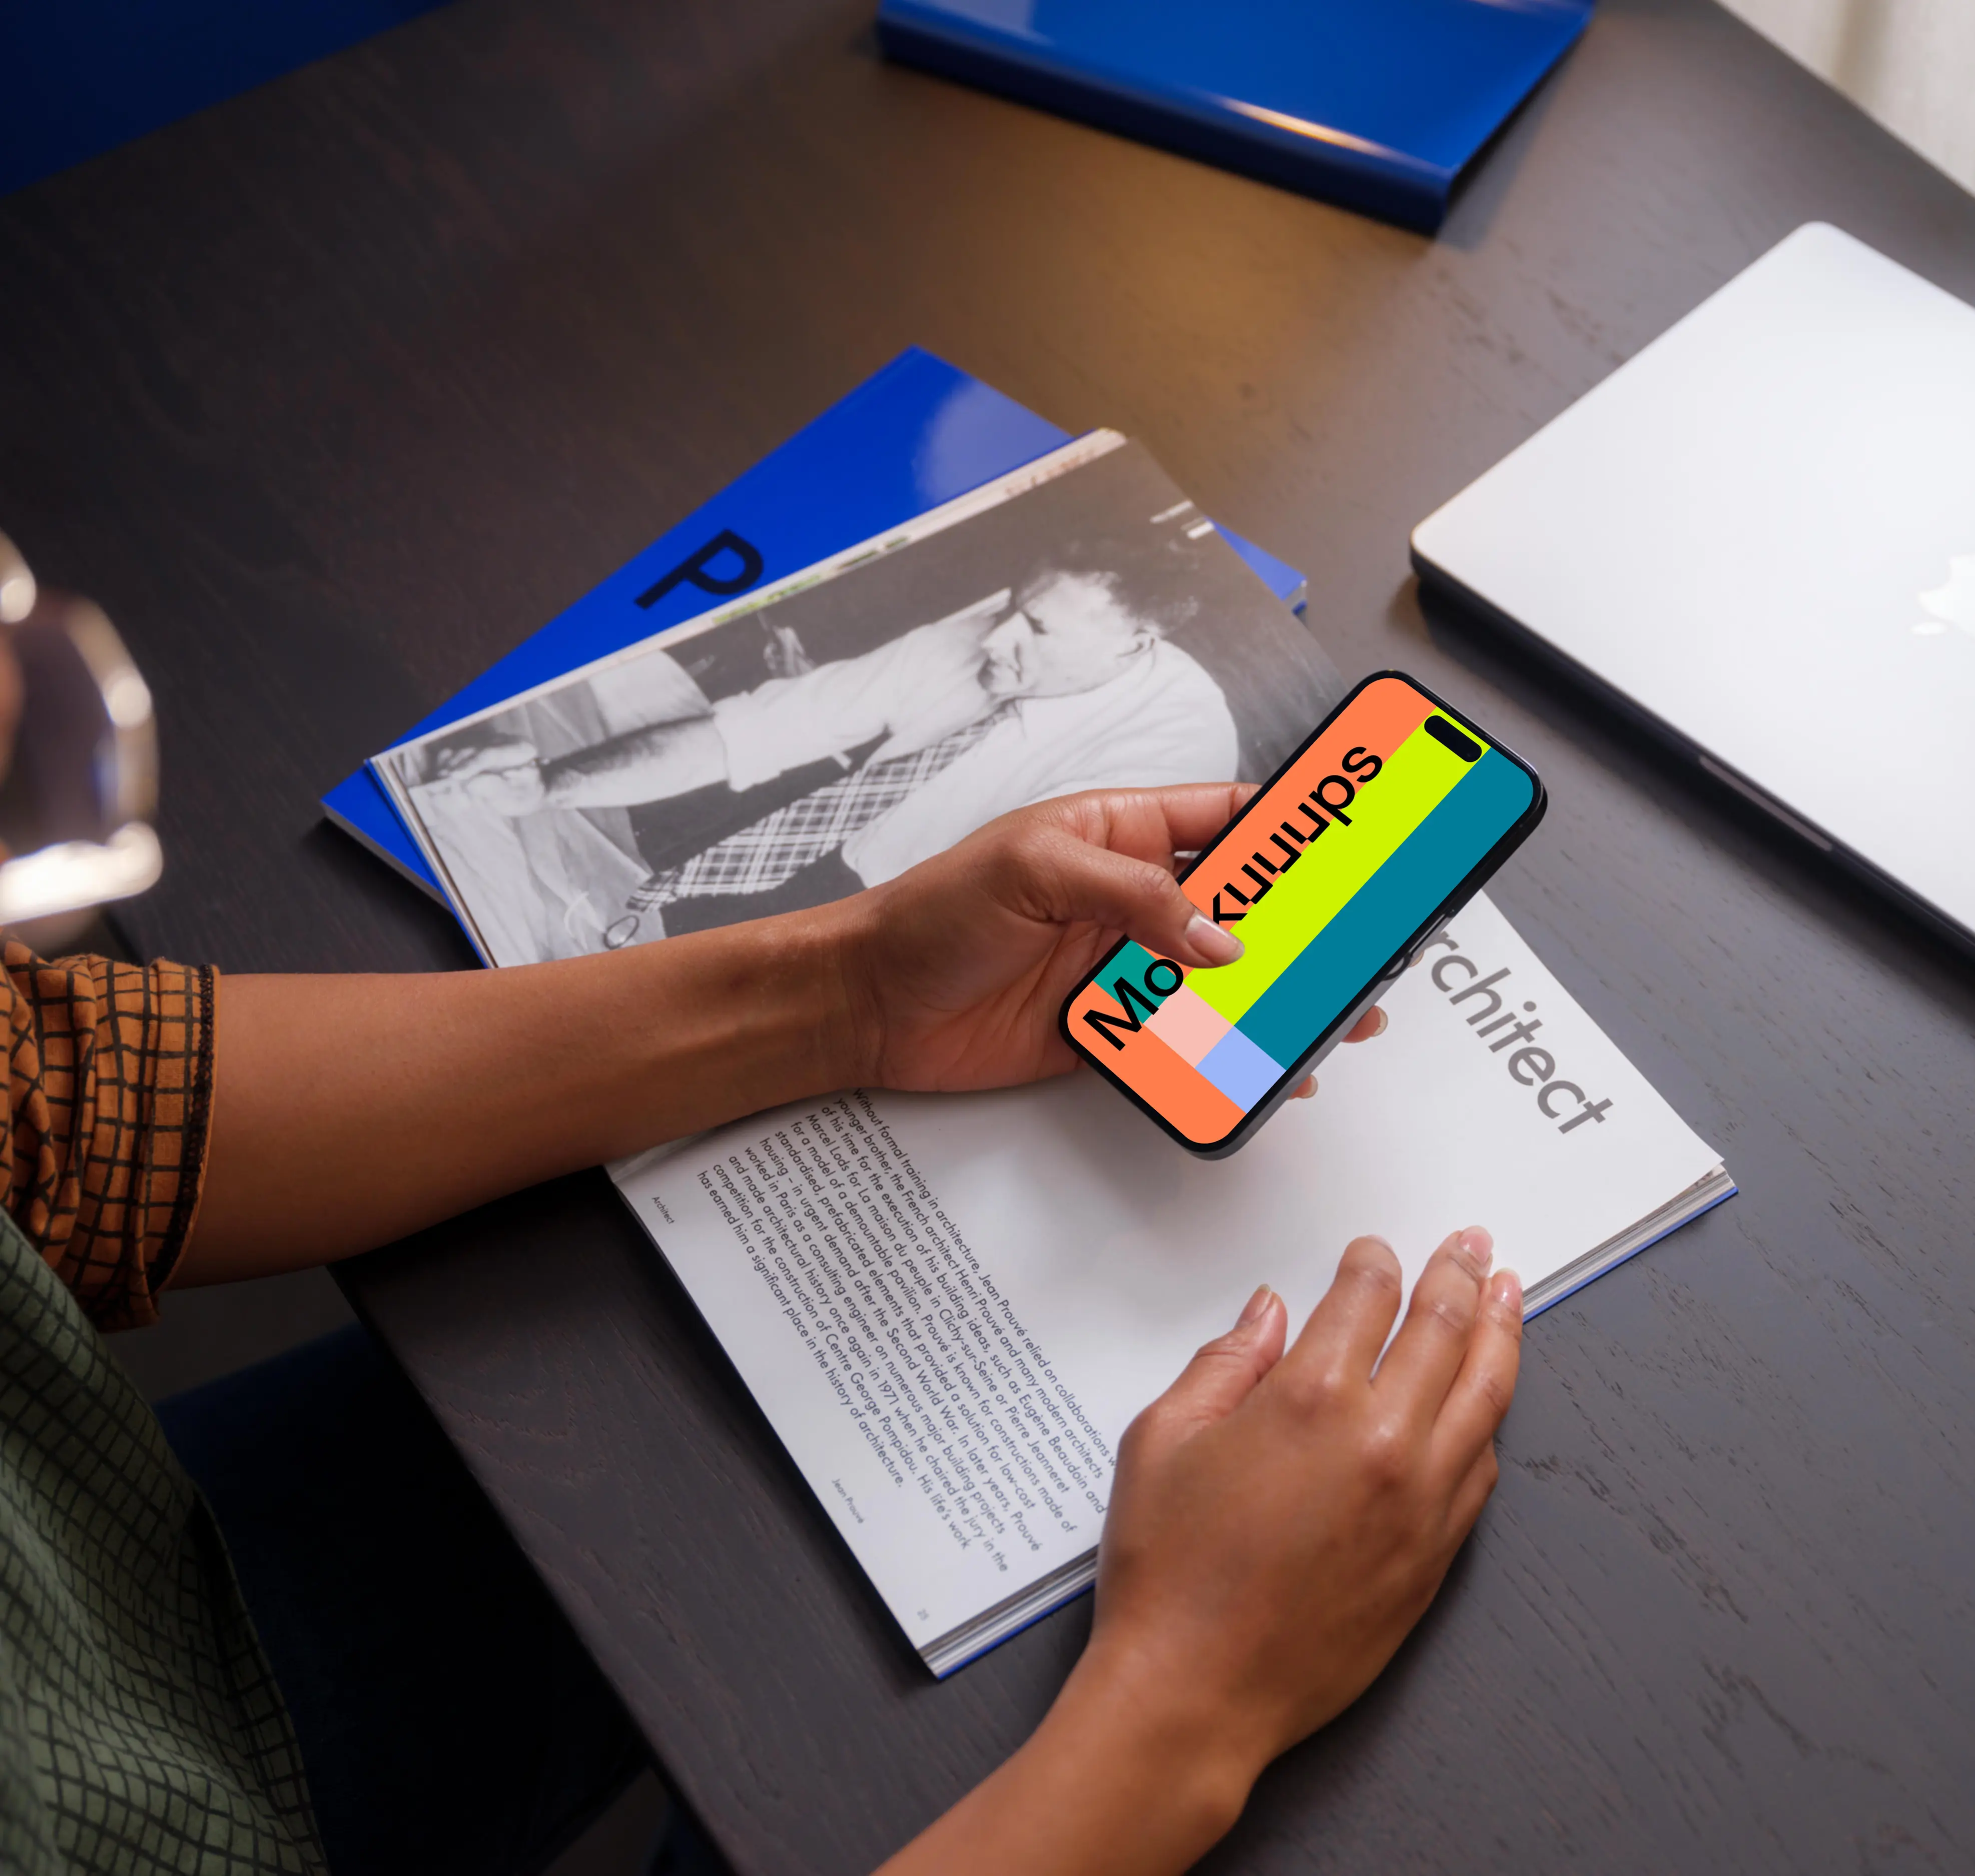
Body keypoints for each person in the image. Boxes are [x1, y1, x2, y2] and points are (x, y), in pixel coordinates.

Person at [0, 573, 1521, 1873]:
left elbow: (49, 1109)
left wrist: (843, 993)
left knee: (655, 1470)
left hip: (81, 1538)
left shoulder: (1140, 711)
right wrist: (1188, 1707)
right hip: (169, 1793)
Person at [430, 564, 1239, 942]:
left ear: (1138, 638)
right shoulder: (998, 623)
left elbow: (1010, 933)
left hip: (935, 931)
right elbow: (764, 728)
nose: (996, 634)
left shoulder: (1175, 745)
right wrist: (544, 784)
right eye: (1015, 606)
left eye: (1038, 629)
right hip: (819, 862)